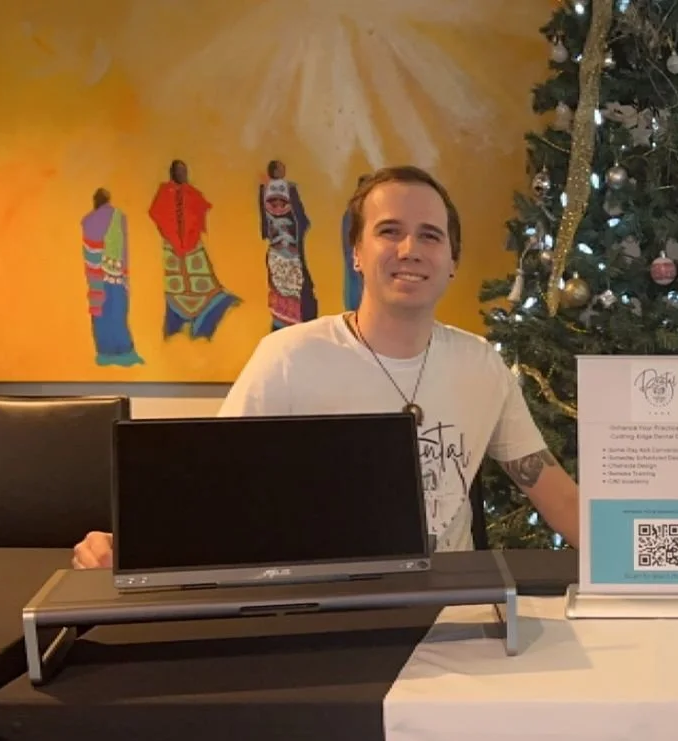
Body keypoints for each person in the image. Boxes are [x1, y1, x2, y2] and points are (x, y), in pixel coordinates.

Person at [72, 165, 579, 569]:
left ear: (452, 261)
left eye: (430, 236)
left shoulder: (481, 364)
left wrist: (644, 563)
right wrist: (126, 545)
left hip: (452, 615)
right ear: (357, 253)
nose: (410, 250)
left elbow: (552, 490)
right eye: (389, 232)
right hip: (326, 611)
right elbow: (212, 487)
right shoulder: (289, 358)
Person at [149, 159, 242, 340]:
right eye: (180, 171)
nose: (183, 174)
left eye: (185, 170)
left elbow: (201, 208)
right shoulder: (163, 192)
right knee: (176, 288)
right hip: (172, 251)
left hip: (193, 247)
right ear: (172, 173)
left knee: (205, 283)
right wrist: (171, 236)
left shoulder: (192, 193)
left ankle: (203, 320)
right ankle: (178, 326)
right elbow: (157, 213)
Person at [80, 188, 143, 367]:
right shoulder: (119, 217)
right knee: (117, 311)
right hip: (115, 274)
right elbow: (123, 251)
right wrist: (126, 277)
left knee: (102, 313)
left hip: (96, 276)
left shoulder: (87, 221)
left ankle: (104, 352)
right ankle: (123, 352)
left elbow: (88, 251)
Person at [259, 160, 318, 330]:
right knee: (288, 286)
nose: (278, 206)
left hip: (285, 250)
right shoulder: (287, 189)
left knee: (291, 286)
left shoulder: (266, 190)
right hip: (285, 251)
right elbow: (300, 219)